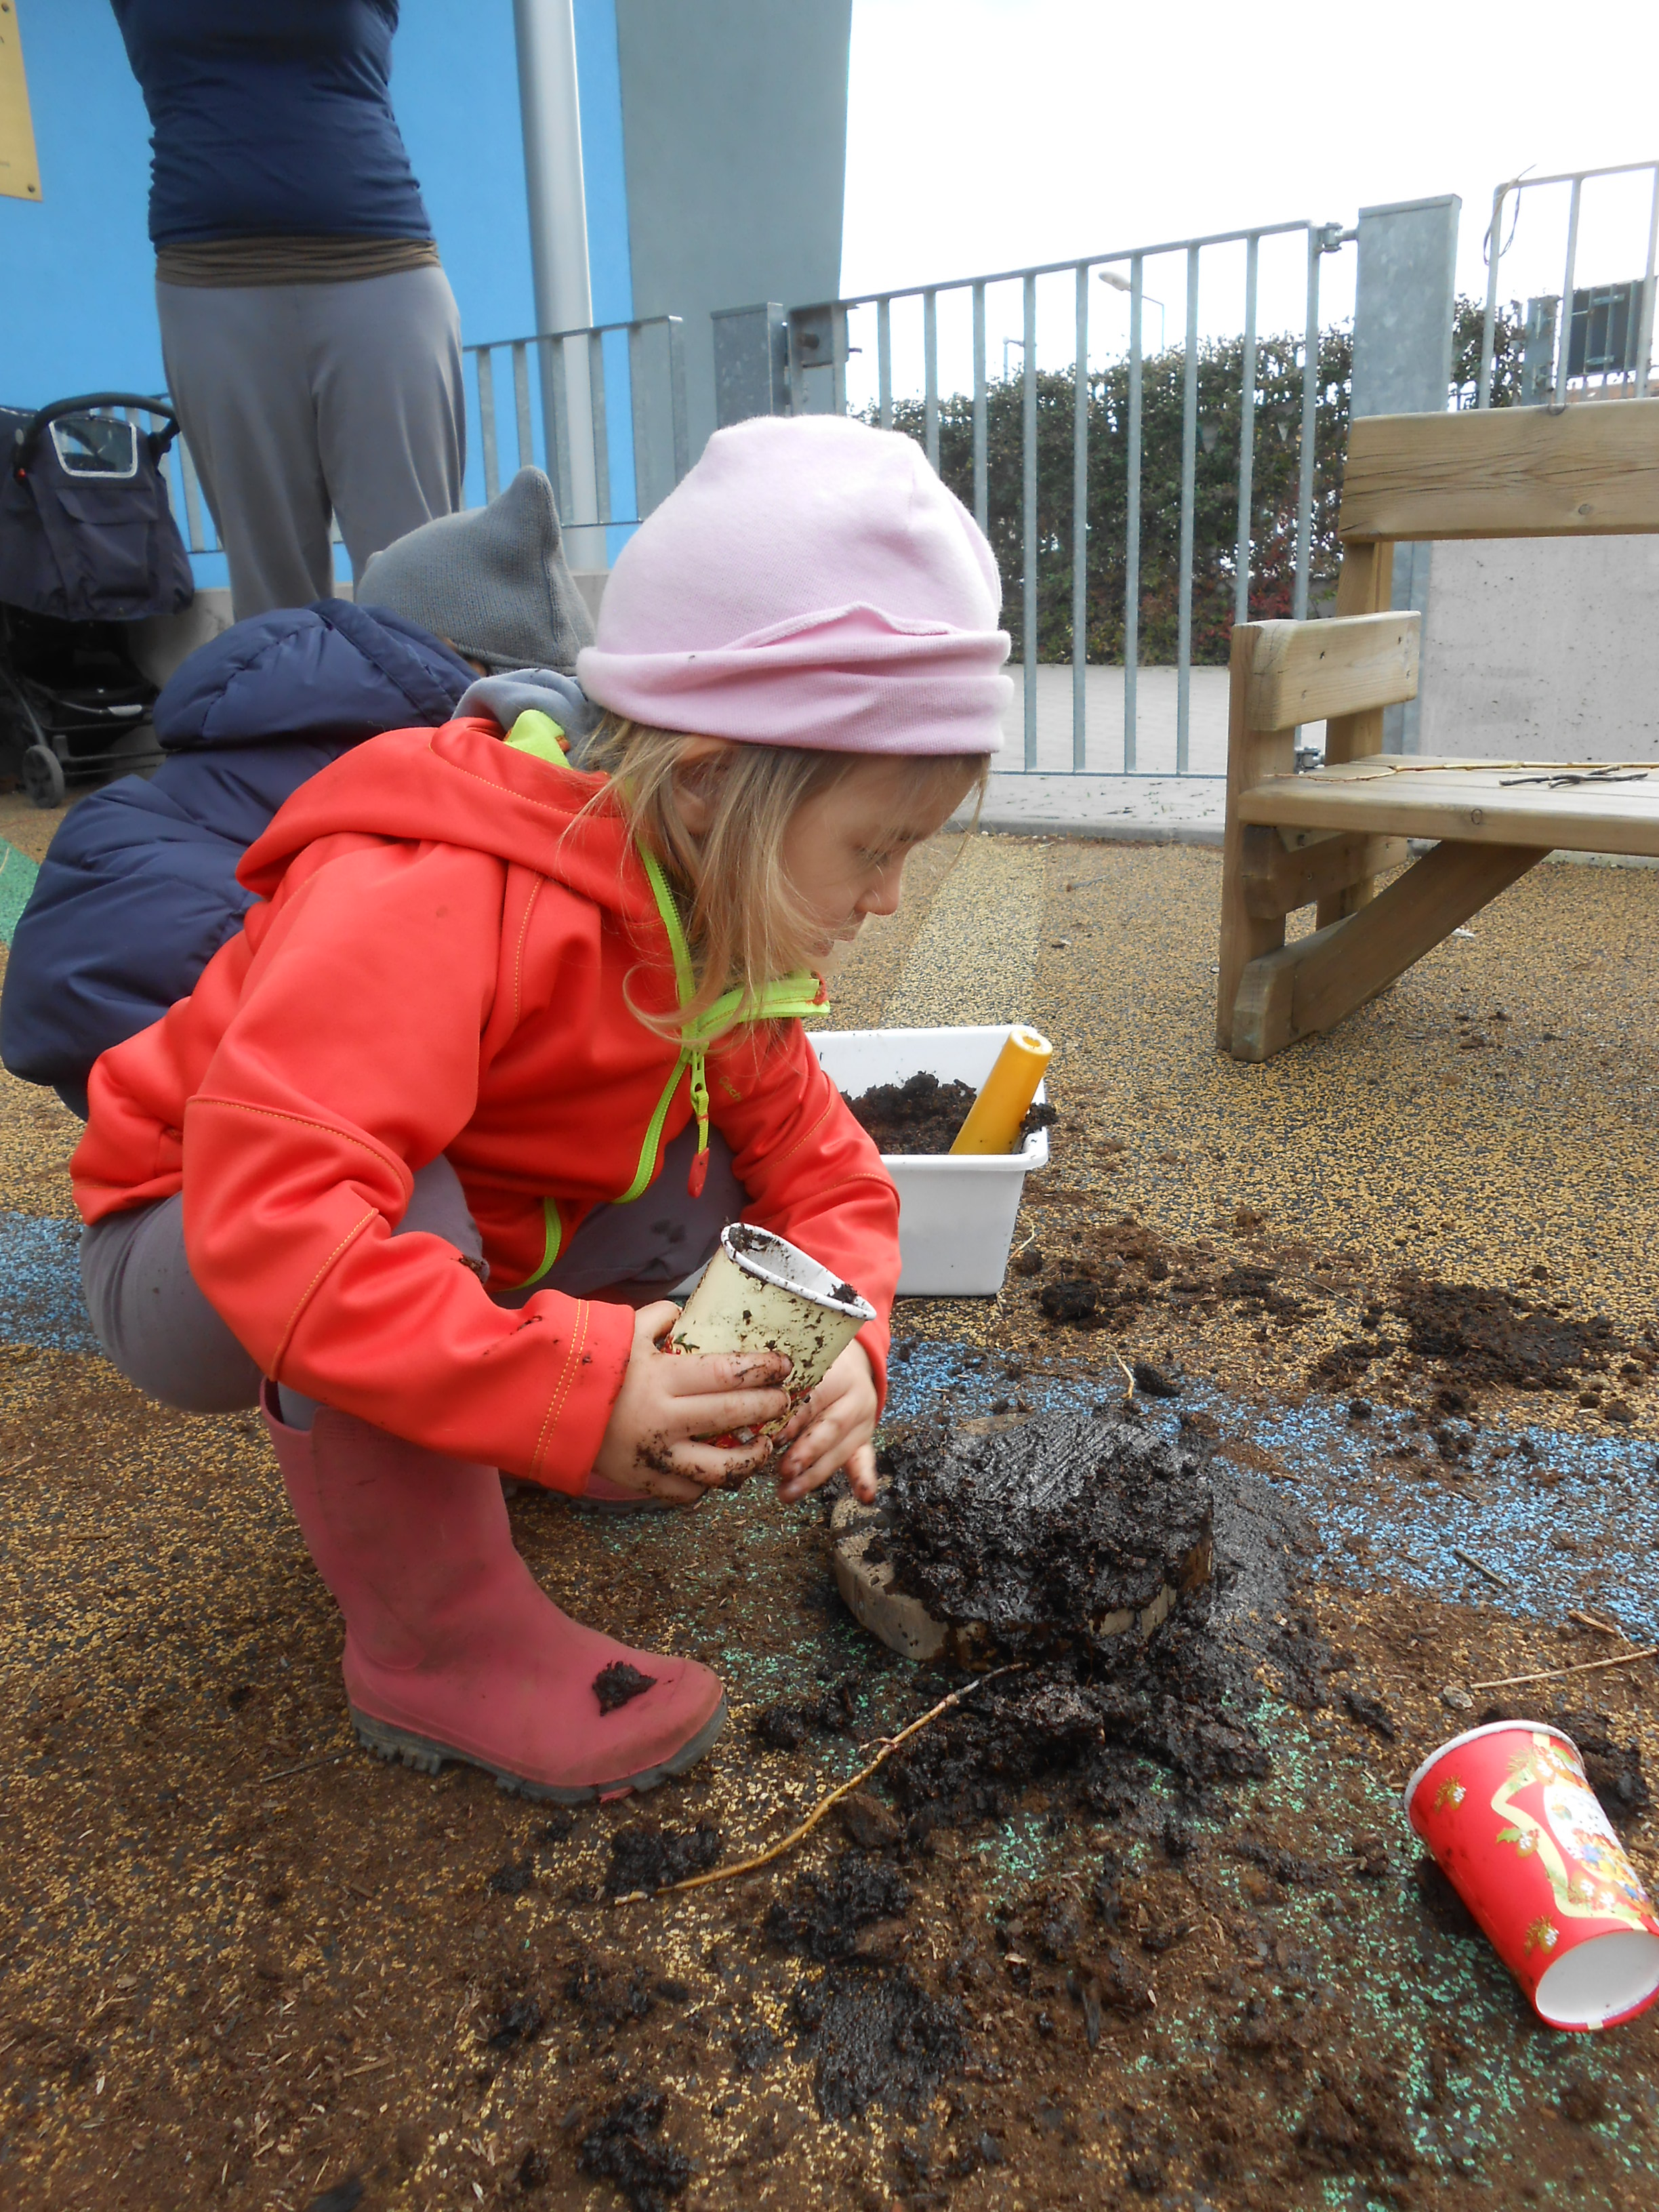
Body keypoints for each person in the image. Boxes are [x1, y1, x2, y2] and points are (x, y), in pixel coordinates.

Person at [68, 416, 1012, 1806]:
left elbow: (827, 1175)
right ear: (709, 782)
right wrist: (566, 1383)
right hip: (200, 1236)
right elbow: (285, 1220)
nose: (886, 898)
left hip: (412, 1221)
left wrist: (853, 1340)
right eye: (874, 847)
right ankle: (436, 1645)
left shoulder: (707, 911)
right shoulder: (432, 889)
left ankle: (543, 1412)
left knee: (713, 1161)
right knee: (404, 1193)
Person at [1, 470, 590, 1118]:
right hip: (213, 1046)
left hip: (91, 994)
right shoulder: (433, 750)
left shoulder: (282, 694)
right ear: (479, 670)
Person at [111, 0, 466, 617]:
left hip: (380, 273)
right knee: (272, 600)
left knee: (420, 582)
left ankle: (429, 687)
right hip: (210, 286)